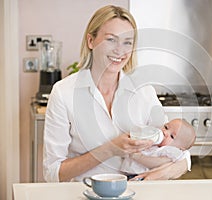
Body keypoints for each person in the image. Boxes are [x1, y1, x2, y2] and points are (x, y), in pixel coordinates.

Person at [43, 5, 189, 182]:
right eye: (111, 40)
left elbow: (175, 150)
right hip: (86, 193)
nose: (120, 51)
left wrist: (170, 169)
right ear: (91, 41)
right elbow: (53, 173)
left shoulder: (144, 92)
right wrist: (110, 149)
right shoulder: (63, 93)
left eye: (127, 42)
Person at [121, 119, 196, 176]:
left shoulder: (169, 150)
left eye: (172, 136)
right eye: (166, 127)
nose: (165, 132)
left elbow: (158, 163)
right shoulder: (154, 141)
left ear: (179, 148)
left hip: (142, 176)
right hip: (127, 174)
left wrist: (138, 157)